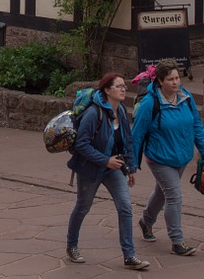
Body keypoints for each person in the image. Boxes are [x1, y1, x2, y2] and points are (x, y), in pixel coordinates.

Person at [131, 59, 204, 257]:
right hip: (159, 158)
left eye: (177, 78)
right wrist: (131, 164)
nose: (176, 83)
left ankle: (146, 221)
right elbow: (137, 135)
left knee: (162, 193)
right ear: (160, 81)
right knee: (174, 195)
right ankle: (177, 241)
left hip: (182, 156)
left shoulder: (186, 97)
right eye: (170, 79)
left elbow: (196, 124)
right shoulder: (150, 103)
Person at [65, 73, 148, 271]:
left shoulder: (122, 111)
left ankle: (129, 256)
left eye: (124, 86)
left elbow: (127, 141)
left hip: (113, 169)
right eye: (119, 86)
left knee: (125, 207)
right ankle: (72, 246)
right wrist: (105, 161)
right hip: (90, 168)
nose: (123, 89)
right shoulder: (94, 113)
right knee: (83, 207)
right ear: (107, 90)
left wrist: (130, 168)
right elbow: (82, 145)